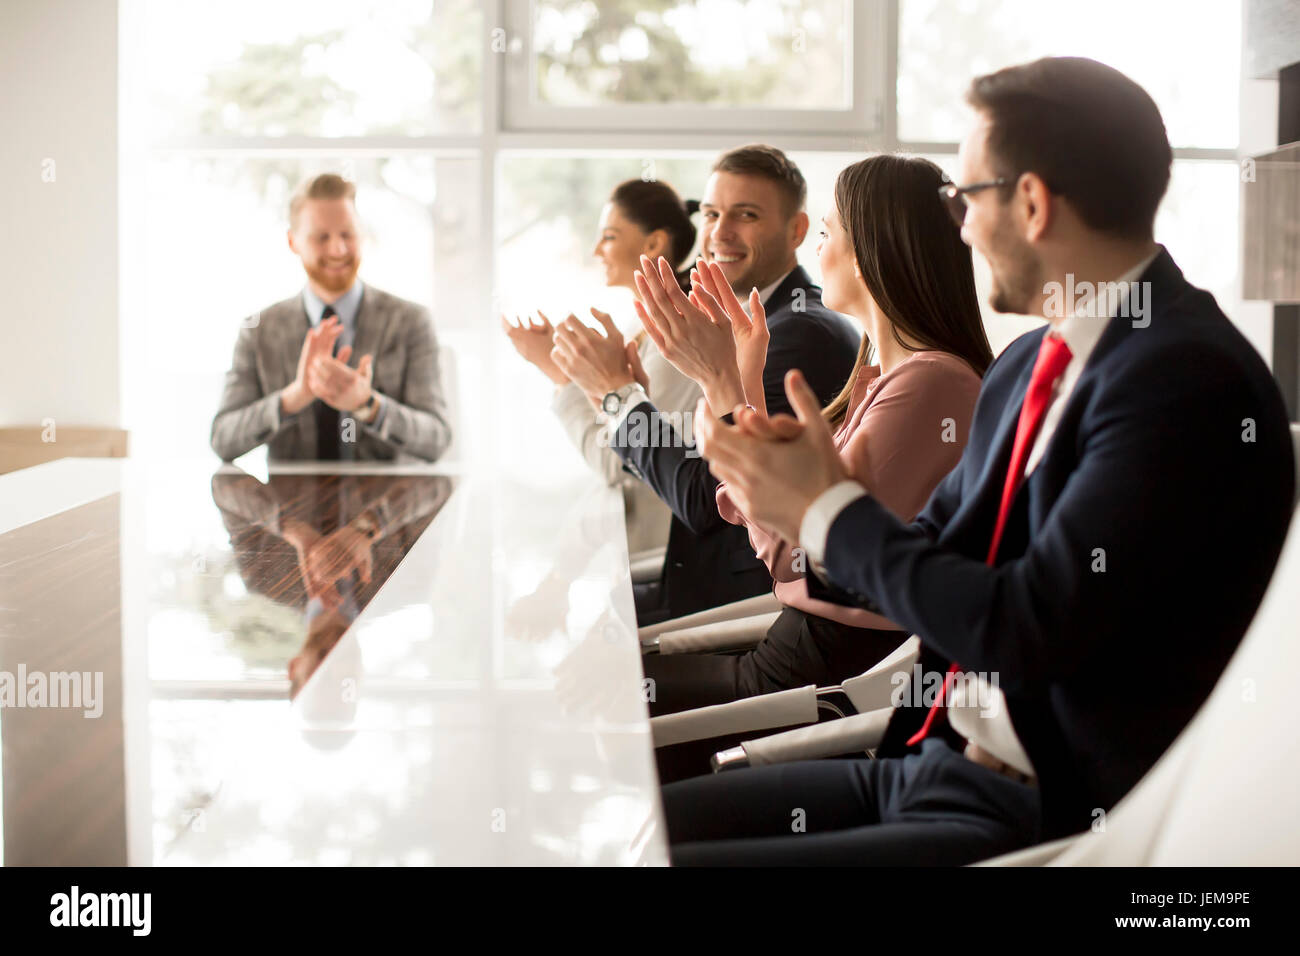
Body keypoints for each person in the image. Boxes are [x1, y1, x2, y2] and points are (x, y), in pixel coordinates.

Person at [667, 57, 1295, 865]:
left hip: (1037, 817)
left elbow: (1023, 628)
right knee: (630, 835)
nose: (958, 227)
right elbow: (916, 554)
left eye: (966, 200)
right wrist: (797, 497)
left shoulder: (1185, 381)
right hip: (928, 763)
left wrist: (825, 510)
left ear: (1032, 203)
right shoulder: (1030, 363)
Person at [636, 156, 992, 763]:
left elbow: (796, 558)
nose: (820, 251)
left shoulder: (929, 386)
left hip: (816, 676)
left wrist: (723, 385)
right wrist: (740, 381)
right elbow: (777, 533)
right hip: (795, 650)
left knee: (606, 701)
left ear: (868, 254)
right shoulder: (885, 376)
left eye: (827, 234)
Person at [551, 145, 860, 625]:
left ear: (797, 230)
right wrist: (614, 396)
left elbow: (704, 498)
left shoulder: (798, 333)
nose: (719, 232)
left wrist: (620, 394)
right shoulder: (746, 323)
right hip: (696, 577)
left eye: (746, 215)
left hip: (743, 609)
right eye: (713, 213)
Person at [502, 178, 702, 556]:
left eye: (609, 236)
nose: (597, 250)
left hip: (654, 551)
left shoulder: (676, 335)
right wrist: (565, 366)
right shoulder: (640, 325)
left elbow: (621, 464)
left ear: (655, 243)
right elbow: (616, 427)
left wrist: (558, 373)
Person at [211, 173, 453, 463]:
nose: (337, 249)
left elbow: (437, 440)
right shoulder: (258, 330)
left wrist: (368, 405)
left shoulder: (411, 321)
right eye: (321, 237)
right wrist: (295, 396)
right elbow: (223, 439)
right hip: (290, 504)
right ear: (293, 241)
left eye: (347, 234)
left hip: (386, 503)